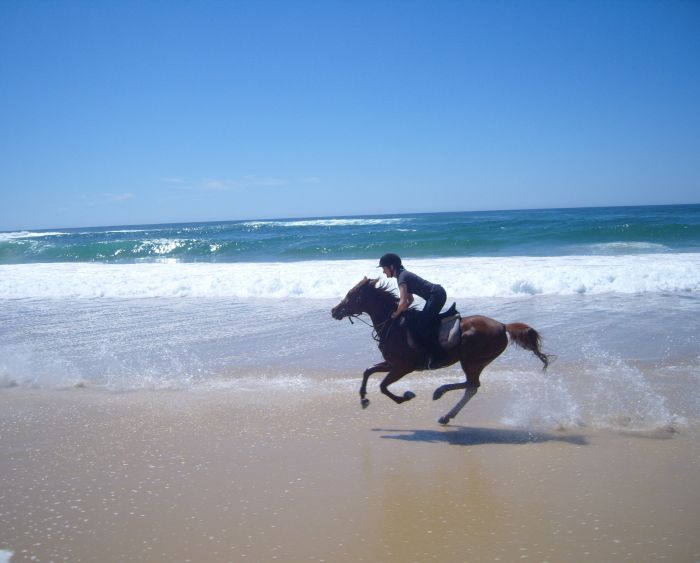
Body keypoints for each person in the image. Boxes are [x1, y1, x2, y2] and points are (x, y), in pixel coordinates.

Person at [378, 253, 447, 368]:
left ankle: (438, 355)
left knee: (422, 325)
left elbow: (403, 302)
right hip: (436, 294)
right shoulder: (402, 276)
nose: (383, 272)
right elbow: (410, 299)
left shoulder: (401, 278)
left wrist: (396, 313)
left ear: (391, 267)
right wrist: (401, 310)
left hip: (436, 295)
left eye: (384, 268)